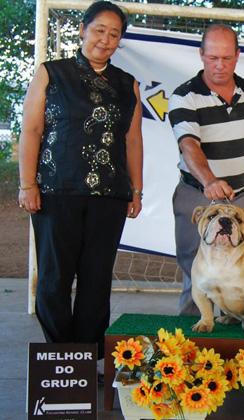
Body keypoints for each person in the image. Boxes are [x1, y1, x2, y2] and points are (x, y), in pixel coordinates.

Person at [18, 1, 143, 359]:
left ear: (120, 41)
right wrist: (28, 184)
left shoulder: (127, 85)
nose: (105, 39)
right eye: (99, 30)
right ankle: (61, 358)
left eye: (114, 34)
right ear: (83, 30)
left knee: (96, 281)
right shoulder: (51, 73)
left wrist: (136, 189)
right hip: (56, 193)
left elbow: (132, 140)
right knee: (55, 280)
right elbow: (32, 130)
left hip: (110, 197)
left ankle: (87, 361)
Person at [168, 24, 244, 316]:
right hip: (197, 196)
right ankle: (190, 345)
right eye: (212, 58)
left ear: (237, 55)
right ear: (201, 55)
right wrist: (209, 181)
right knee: (195, 272)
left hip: (243, 199)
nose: (219, 65)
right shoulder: (184, 96)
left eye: (226, 58)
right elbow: (188, 145)